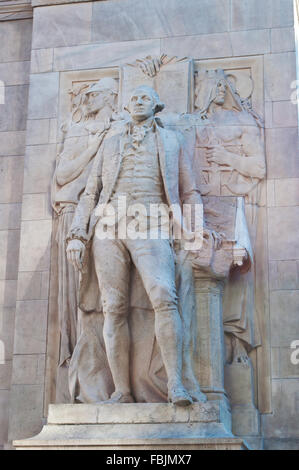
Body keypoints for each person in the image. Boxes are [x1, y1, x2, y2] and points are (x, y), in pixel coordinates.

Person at [66, 85, 207, 406]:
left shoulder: (172, 141)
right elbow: (90, 192)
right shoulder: (111, 142)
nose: (139, 101)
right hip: (108, 225)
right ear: (127, 107)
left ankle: (176, 385)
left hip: (152, 220)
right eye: (134, 98)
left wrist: (196, 230)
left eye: (145, 97)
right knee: (112, 307)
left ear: (157, 104)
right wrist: (76, 233)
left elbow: (189, 191)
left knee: (164, 297)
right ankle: (122, 391)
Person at [51, 77, 118, 401]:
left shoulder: (119, 129)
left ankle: (114, 384)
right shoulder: (79, 130)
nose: (87, 99)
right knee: (81, 303)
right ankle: (83, 387)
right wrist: (95, 145)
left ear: (109, 97)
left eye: (94, 94)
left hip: (111, 223)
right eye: (86, 94)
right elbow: (63, 176)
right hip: (73, 218)